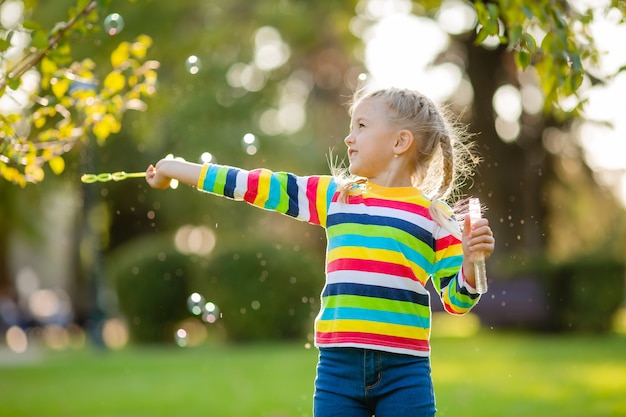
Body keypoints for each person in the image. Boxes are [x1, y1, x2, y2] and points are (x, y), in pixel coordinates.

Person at [145, 86, 495, 417]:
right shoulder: (336, 195)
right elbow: (252, 184)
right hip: (338, 369)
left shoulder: (436, 216)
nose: (348, 137)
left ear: (400, 142)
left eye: (361, 125)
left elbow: (457, 301)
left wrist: (469, 262)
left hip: (406, 370)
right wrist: (175, 168)